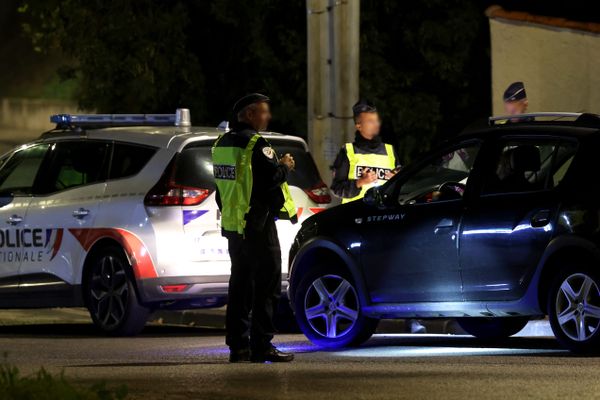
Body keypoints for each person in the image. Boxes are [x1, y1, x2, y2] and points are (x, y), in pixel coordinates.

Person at [212, 93, 296, 363]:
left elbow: (222, 190)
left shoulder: (222, 144)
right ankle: (262, 345)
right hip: (258, 224)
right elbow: (270, 179)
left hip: (234, 226)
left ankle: (237, 346)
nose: (267, 116)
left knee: (239, 286)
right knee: (267, 285)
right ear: (249, 114)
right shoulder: (255, 144)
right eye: (263, 112)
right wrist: (284, 166)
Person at [330, 99, 426, 334]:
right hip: (357, 222)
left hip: (387, 219)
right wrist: (360, 182)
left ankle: (412, 318)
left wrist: (397, 177)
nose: (375, 125)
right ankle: (353, 320)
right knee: (359, 273)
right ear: (358, 126)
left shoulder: (390, 151)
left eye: (376, 120)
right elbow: (337, 187)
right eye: (370, 121)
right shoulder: (348, 152)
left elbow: (400, 184)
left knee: (400, 267)